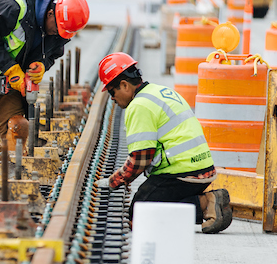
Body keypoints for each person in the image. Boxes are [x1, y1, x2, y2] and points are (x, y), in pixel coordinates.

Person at [94, 52, 233, 233]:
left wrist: (115, 180)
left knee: (140, 214)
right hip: (202, 169)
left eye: (112, 92)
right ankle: (206, 201)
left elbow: (140, 158)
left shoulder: (139, 105)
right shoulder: (159, 91)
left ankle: (206, 204)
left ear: (124, 85)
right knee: (156, 201)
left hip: (182, 173)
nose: (112, 98)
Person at [0, 0, 89, 152]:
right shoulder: (13, 8)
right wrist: (10, 69)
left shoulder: (60, 28)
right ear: (50, 14)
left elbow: (53, 53)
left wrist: (42, 64)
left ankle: (8, 174)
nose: (58, 35)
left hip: (12, 79)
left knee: (18, 129)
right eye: (57, 30)